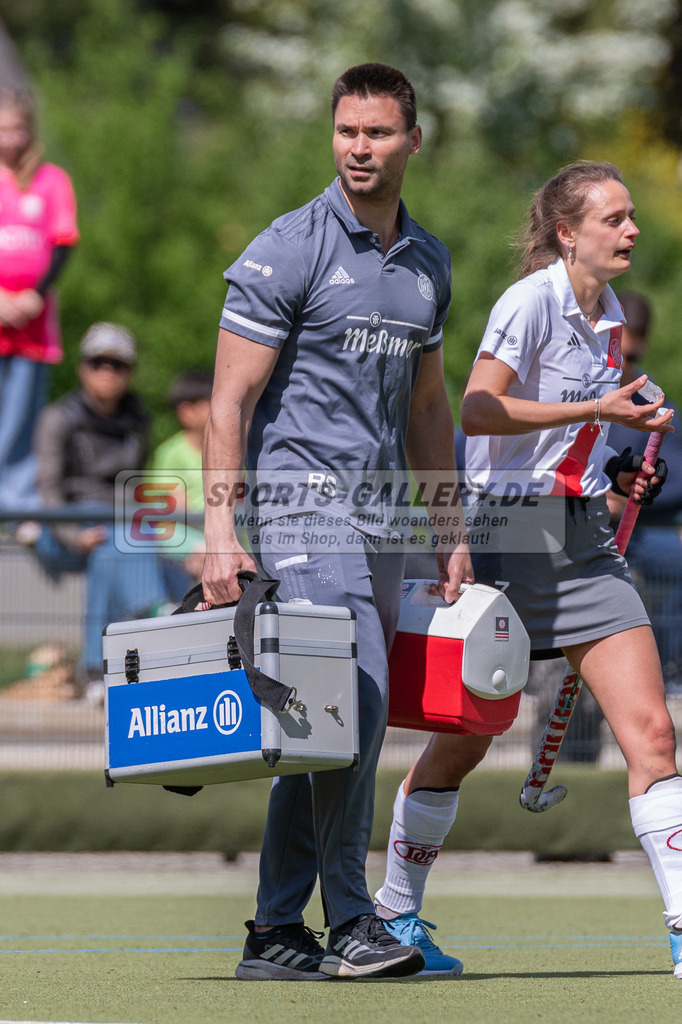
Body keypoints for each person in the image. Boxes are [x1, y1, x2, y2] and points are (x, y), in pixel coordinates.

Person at [375, 161, 682, 982]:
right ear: (566, 233)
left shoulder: (610, 314)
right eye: (614, 219)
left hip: (579, 537)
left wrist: (612, 471)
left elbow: (564, 441)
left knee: (653, 734)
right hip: (504, 535)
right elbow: (477, 407)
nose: (631, 230)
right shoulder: (530, 300)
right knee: (462, 744)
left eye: (629, 217)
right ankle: (395, 910)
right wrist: (600, 409)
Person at [201, 62, 472, 981]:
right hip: (296, 503)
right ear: (334, 136)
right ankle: (354, 919)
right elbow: (227, 402)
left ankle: (277, 931)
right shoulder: (289, 246)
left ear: (412, 141)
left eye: (379, 133)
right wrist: (219, 530)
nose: (360, 148)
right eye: (347, 132)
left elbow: (429, 411)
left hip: (380, 513)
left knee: (327, 721)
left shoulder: (429, 262)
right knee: (350, 700)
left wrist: (450, 527)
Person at [33, 322, 169, 696]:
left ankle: (98, 670)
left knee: (123, 545)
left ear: (130, 371)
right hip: (64, 527)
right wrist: (73, 535)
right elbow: (48, 488)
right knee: (119, 542)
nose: (107, 372)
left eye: (117, 364)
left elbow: (138, 483)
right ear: (82, 368)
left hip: (118, 526)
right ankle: (150, 625)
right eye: (98, 362)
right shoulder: (59, 418)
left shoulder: (137, 419)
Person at [0, 87, 78, 511]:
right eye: (3, 129)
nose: (11, 138)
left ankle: (16, 503)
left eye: (18, 128)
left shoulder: (52, 180)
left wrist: (34, 293)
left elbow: (63, 242)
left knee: (23, 416)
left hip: (33, 320)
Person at [607, 291, 682, 684]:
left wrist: (629, 493)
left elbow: (674, 485)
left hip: (640, 530)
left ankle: (669, 668)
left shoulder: (653, 406)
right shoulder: (581, 395)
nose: (622, 369)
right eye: (617, 356)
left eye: (631, 360)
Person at [151, 369, 213, 600]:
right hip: (183, 543)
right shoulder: (171, 453)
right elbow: (170, 520)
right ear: (186, 412)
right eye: (212, 403)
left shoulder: (234, 452)